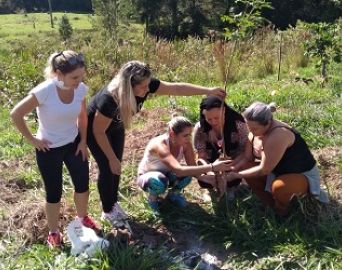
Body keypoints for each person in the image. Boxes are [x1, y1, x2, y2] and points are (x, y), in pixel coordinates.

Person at [87, 60, 226, 226]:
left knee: (117, 167)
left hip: (116, 127)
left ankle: (113, 203)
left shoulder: (144, 85)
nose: (148, 90)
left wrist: (208, 91)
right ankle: (107, 211)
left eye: (148, 85)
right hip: (97, 132)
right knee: (108, 166)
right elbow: (98, 131)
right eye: (144, 87)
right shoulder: (109, 100)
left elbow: (176, 88)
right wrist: (110, 158)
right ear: (129, 86)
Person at [10, 50, 100, 249]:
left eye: (81, 76)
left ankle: (83, 218)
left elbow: (83, 116)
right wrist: (33, 140)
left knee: (83, 185)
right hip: (48, 150)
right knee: (54, 193)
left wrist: (83, 140)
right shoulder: (45, 90)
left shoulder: (80, 89)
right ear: (59, 73)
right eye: (74, 77)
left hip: (74, 144)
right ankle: (54, 233)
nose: (79, 81)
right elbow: (16, 113)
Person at [226, 101, 329, 216]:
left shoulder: (278, 135)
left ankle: (283, 213)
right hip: (277, 172)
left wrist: (237, 175)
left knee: (279, 187)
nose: (250, 131)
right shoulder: (255, 133)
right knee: (246, 167)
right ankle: (270, 206)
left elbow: (264, 169)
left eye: (254, 128)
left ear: (268, 123)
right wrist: (231, 168)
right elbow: (247, 157)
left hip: (301, 175)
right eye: (248, 126)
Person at [137, 116, 232, 215]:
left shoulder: (185, 144)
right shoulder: (160, 145)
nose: (188, 138)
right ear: (172, 134)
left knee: (188, 173)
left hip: (168, 173)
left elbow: (193, 167)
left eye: (189, 135)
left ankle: (173, 195)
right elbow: (179, 170)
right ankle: (152, 200)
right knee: (159, 181)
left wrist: (209, 178)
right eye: (185, 135)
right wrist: (212, 167)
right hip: (148, 177)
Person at [193, 96, 248, 197]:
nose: (213, 122)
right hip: (211, 164)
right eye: (209, 119)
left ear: (224, 111)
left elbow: (245, 151)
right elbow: (201, 156)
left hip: (234, 161)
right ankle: (211, 188)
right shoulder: (200, 128)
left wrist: (232, 167)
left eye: (217, 118)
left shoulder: (239, 125)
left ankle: (231, 187)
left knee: (232, 177)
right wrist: (211, 173)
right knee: (204, 176)